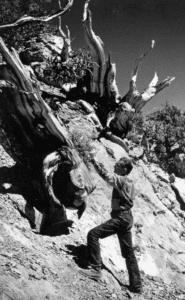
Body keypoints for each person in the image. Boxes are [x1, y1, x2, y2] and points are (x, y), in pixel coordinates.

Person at [79, 155, 143, 294]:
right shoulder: (129, 182)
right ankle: (137, 285)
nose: (115, 166)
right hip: (127, 217)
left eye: (118, 165)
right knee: (128, 253)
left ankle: (95, 269)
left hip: (121, 217)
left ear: (124, 169)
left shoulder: (121, 180)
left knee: (93, 234)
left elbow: (106, 176)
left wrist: (94, 161)